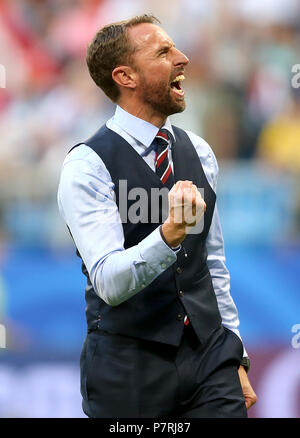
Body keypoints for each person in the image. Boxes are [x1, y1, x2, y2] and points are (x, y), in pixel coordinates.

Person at [57, 14, 257, 418]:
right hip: (127, 366)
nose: (182, 58)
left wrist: (235, 352)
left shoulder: (199, 152)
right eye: (163, 52)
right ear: (125, 76)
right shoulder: (88, 165)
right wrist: (169, 234)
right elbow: (109, 282)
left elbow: (212, 265)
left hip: (209, 360)